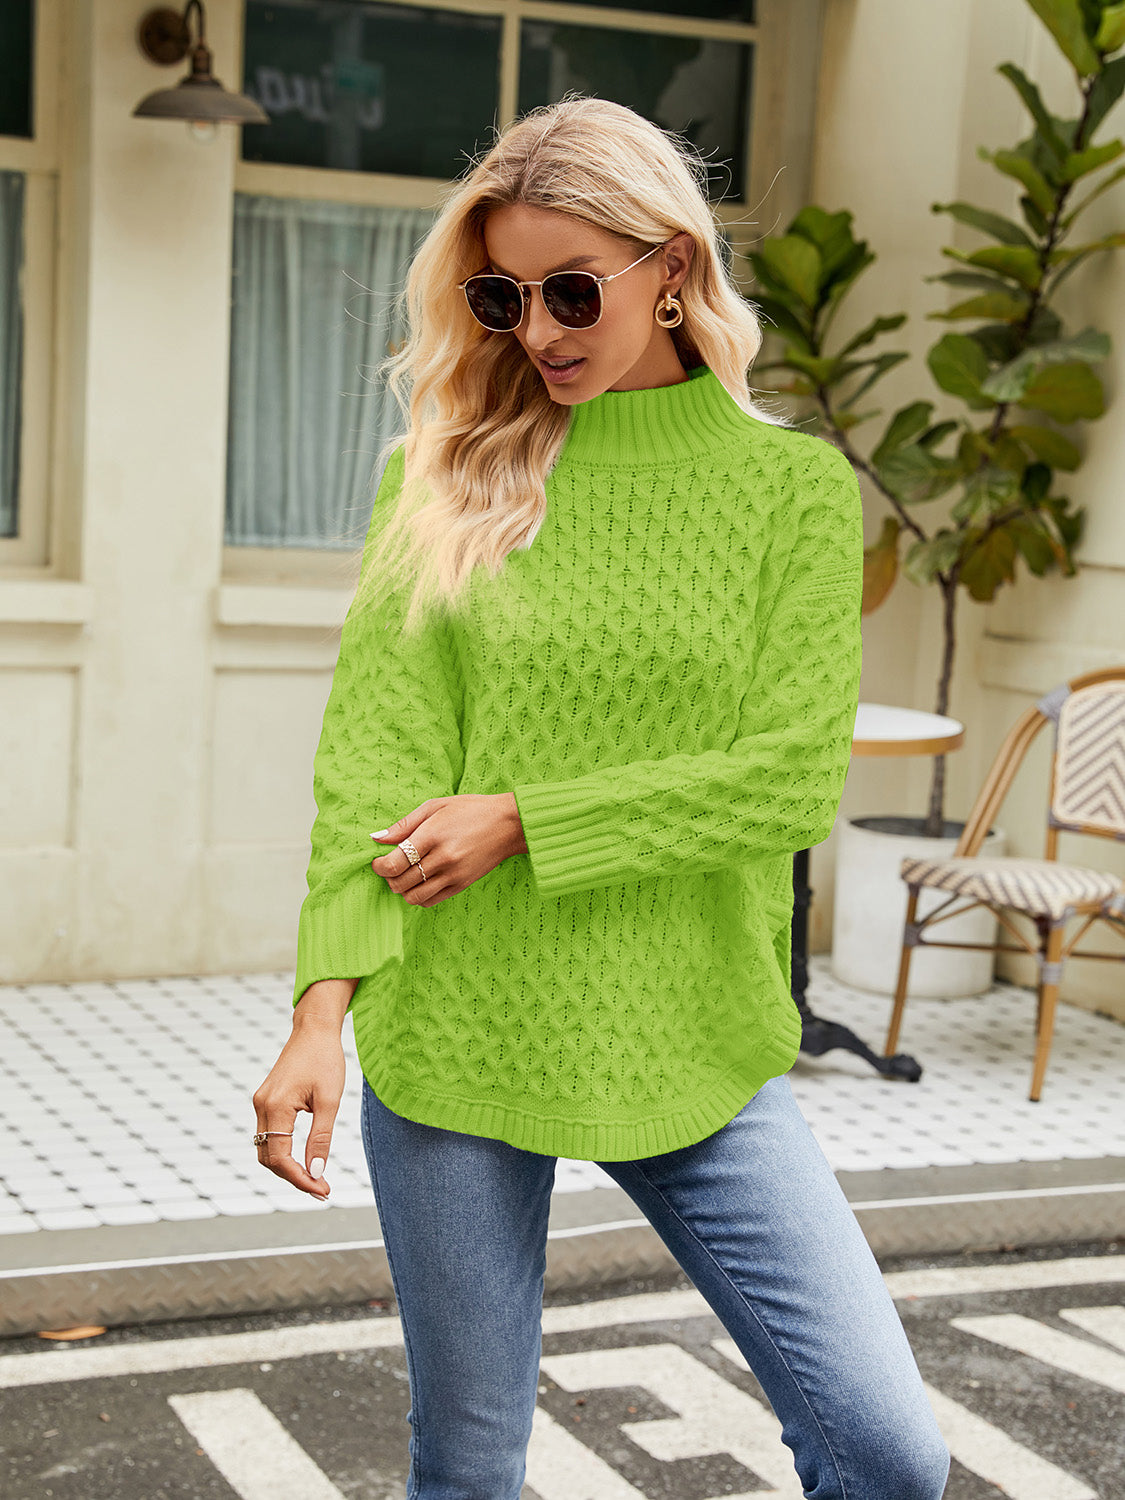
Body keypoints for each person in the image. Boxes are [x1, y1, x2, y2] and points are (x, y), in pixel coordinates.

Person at [252, 97, 950, 1500]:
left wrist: (525, 816)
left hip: (693, 1031)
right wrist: (319, 1012)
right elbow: (374, 764)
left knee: (888, 1454)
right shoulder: (439, 478)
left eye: (572, 289)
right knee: (468, 1467)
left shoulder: (792, 494)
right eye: (500, 296)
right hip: (457, 1026)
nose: (538, 329)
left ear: (672, 268)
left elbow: (786, 781)